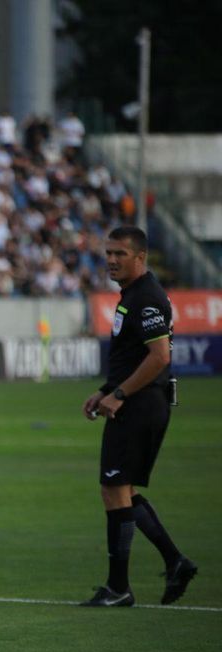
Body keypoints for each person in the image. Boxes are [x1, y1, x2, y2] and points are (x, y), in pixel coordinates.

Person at [80, 226, 196, 607]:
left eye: (121, 254)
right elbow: (133, 356)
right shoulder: (133, 294)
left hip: (140, 404)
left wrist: (119, 394)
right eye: (109, 253)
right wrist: (105, 389)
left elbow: (159, 357)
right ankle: (175, 561)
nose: (112, 260)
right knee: (122, 491)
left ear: (140, 257)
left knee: (114, 489)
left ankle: (119, 588)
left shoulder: (146, 298)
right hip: (138, 401)